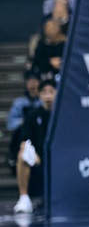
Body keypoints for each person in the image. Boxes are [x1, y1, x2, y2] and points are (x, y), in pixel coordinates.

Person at [13, 80, 56, 214]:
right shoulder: (32, 116)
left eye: (51, 92)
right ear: (39, 95)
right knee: (22, 155)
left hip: (61, 158)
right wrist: (31, 152)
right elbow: (24, 140)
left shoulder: (65, 114)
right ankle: (24, 199)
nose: (48, 96)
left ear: (57, 93)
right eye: (44, 92)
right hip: (39, 159)